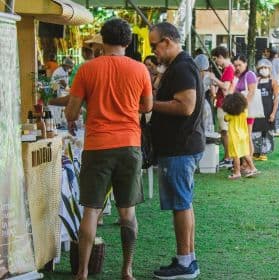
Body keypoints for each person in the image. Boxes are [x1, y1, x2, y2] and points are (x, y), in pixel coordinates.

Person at [65, 18, 153, 280]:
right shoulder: (140, 70)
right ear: (128, 42)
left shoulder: (87, 69)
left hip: (97, 145)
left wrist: (91, 105)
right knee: (128, 212)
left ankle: (81, 272)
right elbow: (147, 107)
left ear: (103, 40)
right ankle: (127, 270)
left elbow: (71, 111)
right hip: (129, 145)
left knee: (91, 210)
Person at [149, 22, 205, 279]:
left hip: (180, 148)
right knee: (183, 204)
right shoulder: (180, 65)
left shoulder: (182, 67)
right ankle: (187, 258)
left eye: (154, 45)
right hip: (181, 147)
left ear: (168, 40)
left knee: (181, 204)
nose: (153, 51)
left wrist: (151, 105)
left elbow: (186, 107)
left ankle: (185, 263)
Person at [222, 93, 259, 179]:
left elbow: (225, 119)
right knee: (245, 153)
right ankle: (253, 168)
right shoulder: (244, 112)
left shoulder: (229, 115)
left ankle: (237, 172)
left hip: (234, 137)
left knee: (236, 155)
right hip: (243, 135)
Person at [210, 46, 235, 168]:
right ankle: (228, 156)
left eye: (216, 59)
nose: (216, 62)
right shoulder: (227, 69)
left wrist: (214, 79)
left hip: (224, 104)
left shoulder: (229, 69)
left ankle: (228, 157)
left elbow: (225, 87)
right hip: (223, 103)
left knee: (225, 132)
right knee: (224, 132)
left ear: (221, 57)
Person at [252, 60, 279, 161]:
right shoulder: (256, 81)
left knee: (266, 132)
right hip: (257, 110)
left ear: (269, 69)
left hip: (268, 110)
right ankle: (256, 152)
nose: (263, 70)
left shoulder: (273, 82)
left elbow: (276, 98)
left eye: (265, 68)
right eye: (261, 68)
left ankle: (264, 152)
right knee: (256, 131)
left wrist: (273, 113)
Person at [232, 55, 257, 157]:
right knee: (243, 136)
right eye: (235, 65)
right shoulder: (239, 76)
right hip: (240, 110)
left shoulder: (249, 75)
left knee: (247, 136)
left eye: (239, 65)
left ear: (245, 64)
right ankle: (245, 162)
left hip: (247, 110)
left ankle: (249, 163)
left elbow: (252, 92)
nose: (237, 67)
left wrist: (243, 107)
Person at [194, 54, 216, 133]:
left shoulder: (193, 75)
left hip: (194, 102)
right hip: (204, 102)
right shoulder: (210, 76)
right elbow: (213, 93)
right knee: (207, 125)